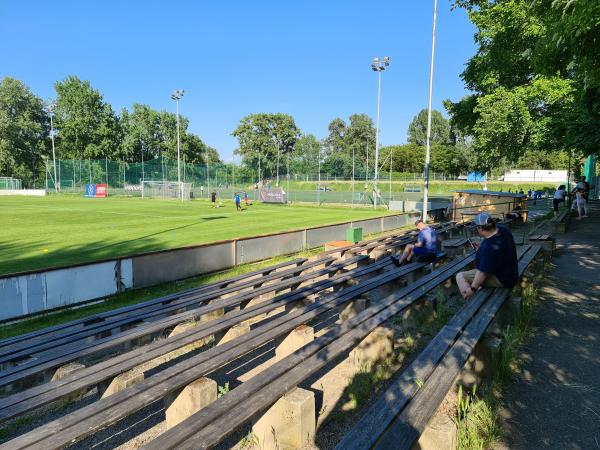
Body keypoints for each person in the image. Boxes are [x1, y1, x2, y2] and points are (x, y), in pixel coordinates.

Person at [456, 212, 518, 300]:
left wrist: (472, 289)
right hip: (511, 272)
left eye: (477, 227)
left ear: (480, 228)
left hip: (503, 279)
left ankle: (470, 302)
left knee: (460, 276)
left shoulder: (488, 247)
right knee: (477, 278)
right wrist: (480, 249)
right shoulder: (503, 230)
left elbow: (482, 273)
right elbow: (495, 253)